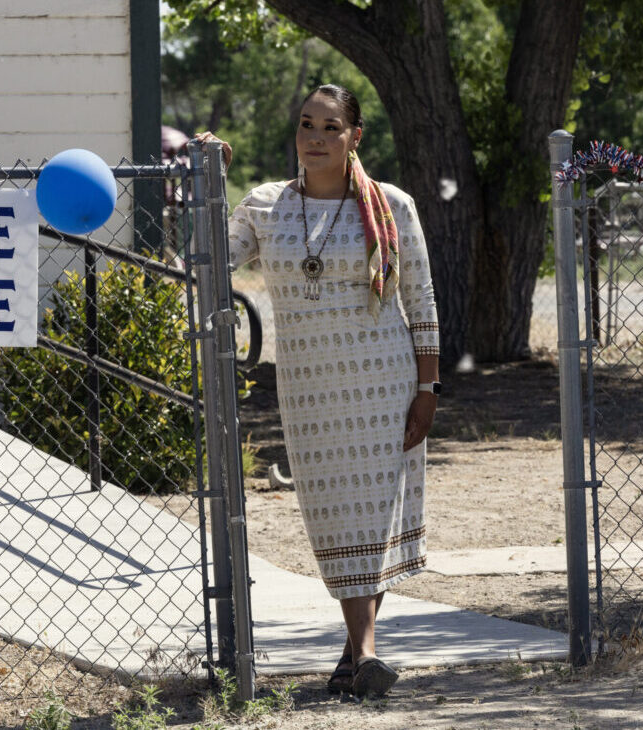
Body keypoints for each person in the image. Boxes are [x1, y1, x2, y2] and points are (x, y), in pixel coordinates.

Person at [196, 84, 440, 699]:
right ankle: (355, 657)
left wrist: (427, 386)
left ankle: (363, 654)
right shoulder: (266, 206)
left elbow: (421, 300)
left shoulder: (392, 205)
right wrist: (209, 187)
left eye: (330, 127)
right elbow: (208, 261)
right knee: (337, 523)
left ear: (355, 137)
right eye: (307, 124)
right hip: (309, 390)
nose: (315, 137)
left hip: (384, 382)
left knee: (376, 517)